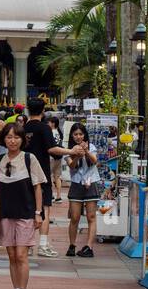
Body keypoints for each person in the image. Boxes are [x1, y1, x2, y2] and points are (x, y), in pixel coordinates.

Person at [0, 122, 47, 289]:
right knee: (11, 255)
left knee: (21, 255)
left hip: (26, 213)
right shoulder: (0, 158)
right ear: (4, 139)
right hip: (5, 213)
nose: (12, 141)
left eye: (16, 137)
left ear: (22, 139)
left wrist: (38, 213)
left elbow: (38, 187)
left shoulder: (29, 158)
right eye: (9, 137)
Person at [23, 96, 80, 258]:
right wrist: (71, 151)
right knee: (44, 209)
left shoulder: (23, 128)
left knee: (27, 210)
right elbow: (52, 149)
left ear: (28, 110)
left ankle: (26, 244)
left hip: (25, 173)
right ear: (43, 111)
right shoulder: (44, 128)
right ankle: (42, 244)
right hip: (41, 174)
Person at [65, 123, 101, 257]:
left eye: (81, 134)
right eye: (75, 134)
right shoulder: (68, 150)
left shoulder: (91, 147)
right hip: (76, 184)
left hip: (91, 182)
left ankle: (89, 247)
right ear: (72, 136)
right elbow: (72, 166)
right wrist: (76, 155)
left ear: (85, 135)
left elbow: (95, 161)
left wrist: (85, 151)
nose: (78, 137)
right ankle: (72, 245)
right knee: (75, 217)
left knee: (91, 216)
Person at [48, 113, 64, 203]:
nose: (48, 124)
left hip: (51, 157)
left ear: (53, 123)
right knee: (57, 176)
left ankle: (51, 195)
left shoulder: (50, 132)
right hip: (59, 156)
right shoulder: (59, 132)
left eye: (49, 122)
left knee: (49, 176)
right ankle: (58, 196)